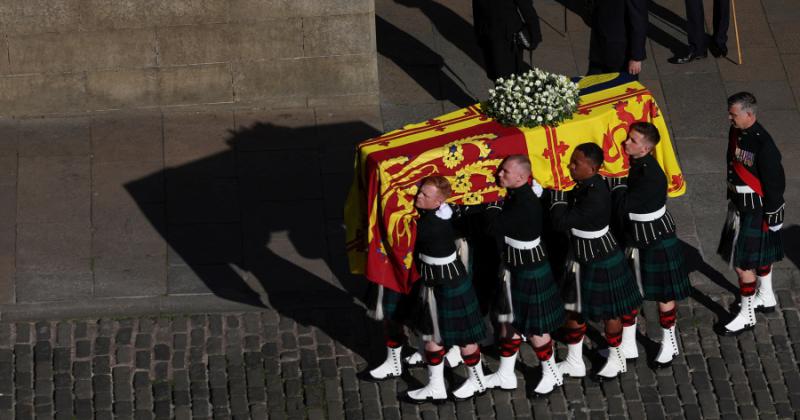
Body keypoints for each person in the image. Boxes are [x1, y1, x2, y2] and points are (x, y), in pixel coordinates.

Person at [548, 143, 642, 380]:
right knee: (572, 309)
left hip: (600, 257)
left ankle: (617, 358)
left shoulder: (596, 196)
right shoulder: (590, 184)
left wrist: (557, 193)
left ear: (591, 168)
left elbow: (560, 221)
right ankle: (574, 360)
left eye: (575, 163)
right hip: (580, 255)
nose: (570, 166)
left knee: (610, 313)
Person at [480, 155, 566, 396]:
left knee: (536, 326)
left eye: (505, 172)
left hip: (528, 269)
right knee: (508, 320)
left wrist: (491, 202)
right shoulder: (520, 194)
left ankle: (551, 373)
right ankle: (506, 373)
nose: (499, 174)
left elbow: (492, 226)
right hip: (515, 266)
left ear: (521, 177)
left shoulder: (524, 203)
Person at [610, 122, 691, 368]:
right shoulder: (638, 165)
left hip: (656, 237)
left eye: (632, 141)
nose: (626, 143)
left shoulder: (651, 176)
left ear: (645, 148)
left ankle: (670, 342)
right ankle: (628, 342)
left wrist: (614, 183)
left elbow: (625, 203)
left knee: (664, 293)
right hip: (636, 234)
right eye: (628, 138)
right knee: (630, 288)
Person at [403, 176, 488, 403]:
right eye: (419, 192)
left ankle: (476, 381)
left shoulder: (428, 225)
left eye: (424, 195)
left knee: (463, 338)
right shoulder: (441, 214)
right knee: (433, 336)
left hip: (448, 286)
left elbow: (404, 238)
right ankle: (437, 386)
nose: (418, 196)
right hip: (441, 283)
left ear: (438, 202)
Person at [717, 92, 785, 335]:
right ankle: (766, 296)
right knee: (758, 257)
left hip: (755, 209)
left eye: (733, 114)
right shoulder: (738, 132)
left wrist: (774, 218)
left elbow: (775, 185)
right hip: (740, 205)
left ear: (748, 114)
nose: (729, 118)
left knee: (742, 264)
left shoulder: (763, 145)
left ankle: (746, 316)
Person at [473, 0, 542, 81]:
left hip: (492, 34)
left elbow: (477, 10)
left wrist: (479, 36)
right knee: (510, 76)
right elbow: (527, 9)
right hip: (507, 37)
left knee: (499, 76)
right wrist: (534, 37)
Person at [587, 0, 649, 76]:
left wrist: (636, 58)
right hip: (600, 45)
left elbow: (639, 22)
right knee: (592, 82)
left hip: (620, 54)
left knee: (621, 84)